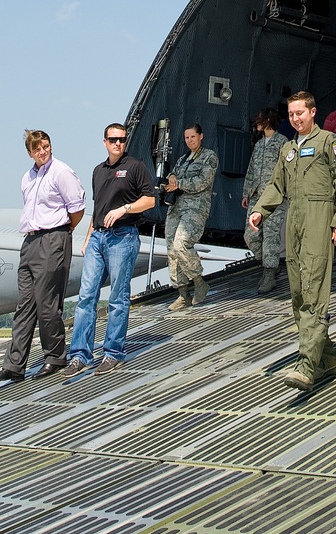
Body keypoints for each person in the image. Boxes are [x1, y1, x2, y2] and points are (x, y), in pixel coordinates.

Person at [249, 91, 336, 390]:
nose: (296, 118)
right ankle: (329, 358)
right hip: (294, 218)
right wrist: (260, 211)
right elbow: (275, 185)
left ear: (313, 112)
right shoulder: (288, 150)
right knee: (297, 294)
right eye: (292, 114)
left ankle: (307, 364)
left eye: (300, 113)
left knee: (313, 291)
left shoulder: (329, 142)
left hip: (319, 216)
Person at [0, 130, 85, 383]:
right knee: (25, 305)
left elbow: (77, 208)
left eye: (46, 146)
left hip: (53, 238)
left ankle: (55, 356)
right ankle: (15, 365)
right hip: (30, 240)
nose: (44, 152)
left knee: (47, 303)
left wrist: (64, 231)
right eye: (38, 149)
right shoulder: (27, 177)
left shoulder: (61, 172)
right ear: (30, 153)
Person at [62, 124, 156, 378]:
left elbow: (150, 200)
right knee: (86, 297)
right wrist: (89, 236)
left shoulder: (135, 167)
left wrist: (124, 209)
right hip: (98, 239)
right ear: (104, 142)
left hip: (122, 238)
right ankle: (80, 355)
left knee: (117, 297)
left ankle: (113, 353)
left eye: (122, 140)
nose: (118, 143)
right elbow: (98, 206)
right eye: (113, 139)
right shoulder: (98, 171)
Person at [164, 123, 219, 311]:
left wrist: (179, 184)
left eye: (193, 137)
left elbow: (203, 181)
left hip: (195, 209)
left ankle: (199, 281)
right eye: (187, 138)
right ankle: (183, 294)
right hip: (176, 208)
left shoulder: (209, 156)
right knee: (172, 250)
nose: (189, 141)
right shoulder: (183, 158)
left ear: (201, 136)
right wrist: (172, 177)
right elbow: (175, 173)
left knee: (181, 244)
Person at [242, 109, 289, 293]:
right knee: (250, 235)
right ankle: (270, 262)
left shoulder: (282, 142)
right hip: (256, 196)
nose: (257, 124)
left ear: (268, 120)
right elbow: (252, 169)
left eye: (260, 121)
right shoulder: (259, 145)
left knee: (270, 235)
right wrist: (246, 193)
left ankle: (269, 273)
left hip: (275, 197)